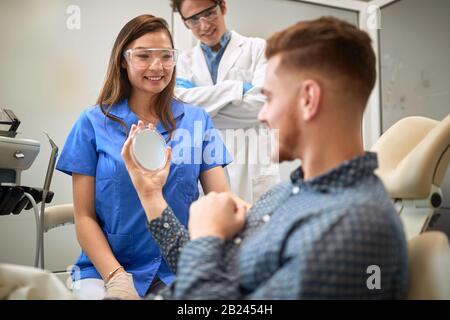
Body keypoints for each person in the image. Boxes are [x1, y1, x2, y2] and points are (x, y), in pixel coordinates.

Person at [122, 17, 409, 299]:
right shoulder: (287, 194)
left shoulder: (354, 228)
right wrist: (151, 197)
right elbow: (206, 272)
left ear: (308, 99)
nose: (262, 115)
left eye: (269, 98)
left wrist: (208, 236)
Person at [55, 15, 231, 300]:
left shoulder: (197, 121)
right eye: (143, 56)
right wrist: (117, 278)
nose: (156, 66)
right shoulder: (92, 123)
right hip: (107, 269)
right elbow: (84, 217)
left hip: (180, 268)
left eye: (166, 56)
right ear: (123, 60)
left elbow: (221, 202)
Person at [171, 0, 280, 204]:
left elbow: (263, 105)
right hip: (208, 168)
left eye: (209, 13)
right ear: (185, 23)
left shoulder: (258, 49)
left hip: (254, 167)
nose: (204, 26)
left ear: (223, 6)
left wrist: (203, 112)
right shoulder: (184, 62)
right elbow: (180, 107)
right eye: (194, 19)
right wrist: (237, 88)